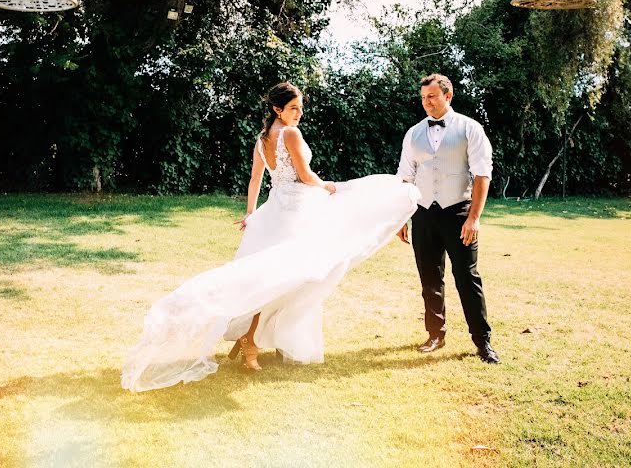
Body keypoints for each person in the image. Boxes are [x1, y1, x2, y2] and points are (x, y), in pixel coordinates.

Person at [122, 83, 420, 392]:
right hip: (295, 214)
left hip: (275, 210)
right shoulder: (290, 134)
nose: (299, 113)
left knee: (275, 278)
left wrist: (252, 212)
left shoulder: (262, 138)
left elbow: (255, 178)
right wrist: (330, 187)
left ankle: (264, 338)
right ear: (278, 109)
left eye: (300, 107)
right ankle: (251, 341)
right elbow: (305, 176)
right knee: (277, 278)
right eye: (294, 108)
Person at [396, 74, 501, 364]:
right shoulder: (413, 133)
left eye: (432, 96)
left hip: (458, 213)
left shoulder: (470, 129)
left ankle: (483, 342)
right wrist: (401, 217)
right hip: (423, 214)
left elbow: (482, 175)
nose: (426, 102)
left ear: (448, 95)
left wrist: (474, 218)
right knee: (429, 278)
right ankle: (435, 334)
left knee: (467, 278)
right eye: (423, 98)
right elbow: (405, 176)